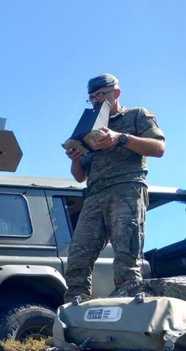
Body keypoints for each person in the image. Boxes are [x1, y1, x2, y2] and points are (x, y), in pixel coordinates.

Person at [63, 73, 165, 303]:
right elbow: (79, 176)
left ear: (116, 93)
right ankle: (74, 310)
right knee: (78, 255)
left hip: (126, 189)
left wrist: (120, 138)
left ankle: (129, 308)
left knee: (126, 256)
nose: (97, 100)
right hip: (95, 195)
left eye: (101, 94)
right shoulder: (92, 128)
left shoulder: (138, 115)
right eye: (92, 97)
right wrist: (75, 156)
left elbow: (158, 148)